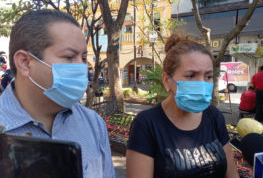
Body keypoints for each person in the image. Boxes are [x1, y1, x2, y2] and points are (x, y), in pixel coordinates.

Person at [0, 10, 115, 178]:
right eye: (69, 57)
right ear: (25, 62)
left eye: (83, 58)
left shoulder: (93, 124)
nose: (81, 68)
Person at [126, 33, 239, 178]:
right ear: (167, 80)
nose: (202, 84)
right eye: (191, 76)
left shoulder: (213, 116)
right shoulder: (147, 124)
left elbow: (231, 173)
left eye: (208, 76)